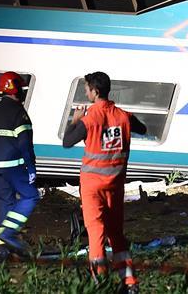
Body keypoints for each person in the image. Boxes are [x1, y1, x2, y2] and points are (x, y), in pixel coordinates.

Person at [62, 72, 147, 293]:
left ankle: (101, 283)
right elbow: (143, 128)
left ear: (95, 91)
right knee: (116, 234)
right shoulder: (123, 116)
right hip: (115, 185)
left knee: (96, 234)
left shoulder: (90, 119)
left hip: (92, 187)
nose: (85, 92)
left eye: (87, 89)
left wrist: (75, 120)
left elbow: (67, 141)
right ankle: (130, 283)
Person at [0, 71, 40, 256]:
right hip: (14, 164)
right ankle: (9, 233)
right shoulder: (18, 113)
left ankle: (5, 250)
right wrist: (31, 168)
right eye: (21, 88)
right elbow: (25, 144)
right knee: (31, 196)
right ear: (16, 89)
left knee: (4, 202)